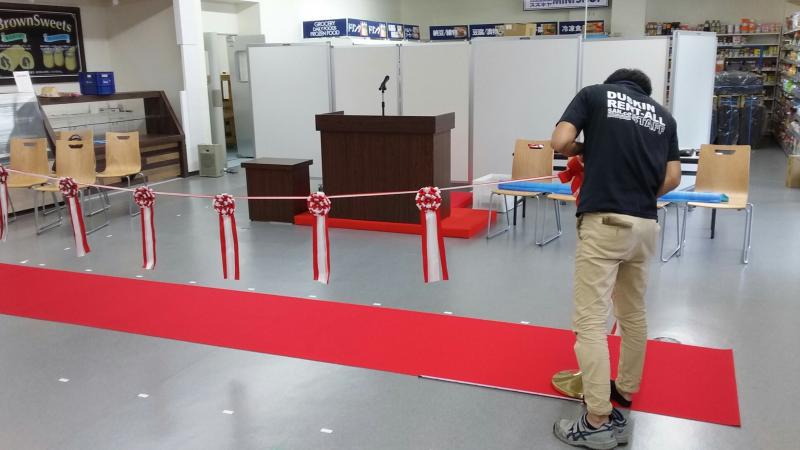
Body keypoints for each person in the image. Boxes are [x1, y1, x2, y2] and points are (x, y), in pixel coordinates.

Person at [550, 68, 682, 449]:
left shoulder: (594, 95)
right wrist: (638, 193)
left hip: (604, 222)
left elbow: (561, 140)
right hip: (644, 225)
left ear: (614, 83)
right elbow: (673, 177)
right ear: (645, 92)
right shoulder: (664, 117)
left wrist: (582, 150)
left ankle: (595, 421)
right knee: (633, 315)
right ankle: (622, 398)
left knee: (590, 321)